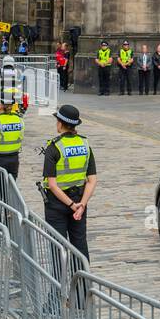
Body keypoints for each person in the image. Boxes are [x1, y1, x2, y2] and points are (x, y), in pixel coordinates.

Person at [40, 105, 97, 257]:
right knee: (80, 246)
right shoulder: (85, 144)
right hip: (80, 201)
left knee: (58, 247)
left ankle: (60, 281)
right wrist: (81, 205)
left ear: (60, 123)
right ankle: (83, 280)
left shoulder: (54, 147)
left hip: (57, 204)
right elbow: (92, 180)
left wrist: (72, 205)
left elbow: (52, 184)